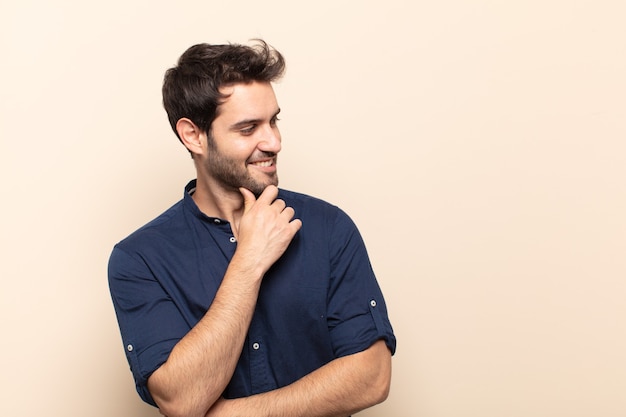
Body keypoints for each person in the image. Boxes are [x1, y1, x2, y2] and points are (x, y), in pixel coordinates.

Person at [108, 39, 396, 417]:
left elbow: (372, 376)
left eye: (274, 120)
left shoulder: (328, 228)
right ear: (193, 135)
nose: (274, 141)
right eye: (248, 129)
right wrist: (249, 262)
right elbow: (180, 400)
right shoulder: (139, 260)